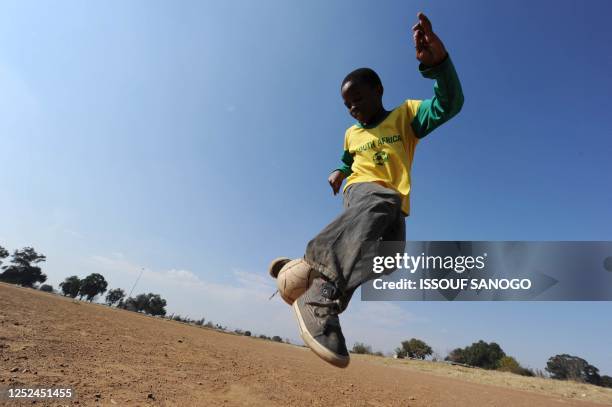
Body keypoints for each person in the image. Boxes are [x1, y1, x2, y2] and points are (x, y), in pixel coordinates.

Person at [269, 12, 464, 368]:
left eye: (358, 98)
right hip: (365, 193)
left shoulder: (405, 116)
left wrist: (439, 65)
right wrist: (339, 172)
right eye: (347, 105)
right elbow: (347, 159)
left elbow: (448, 105)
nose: (353, 108)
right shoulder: (352, 134)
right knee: (380, 199)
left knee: (389, 259)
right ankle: (320, 292)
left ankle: (311, 278)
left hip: (392, 201)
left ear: (379, 90)